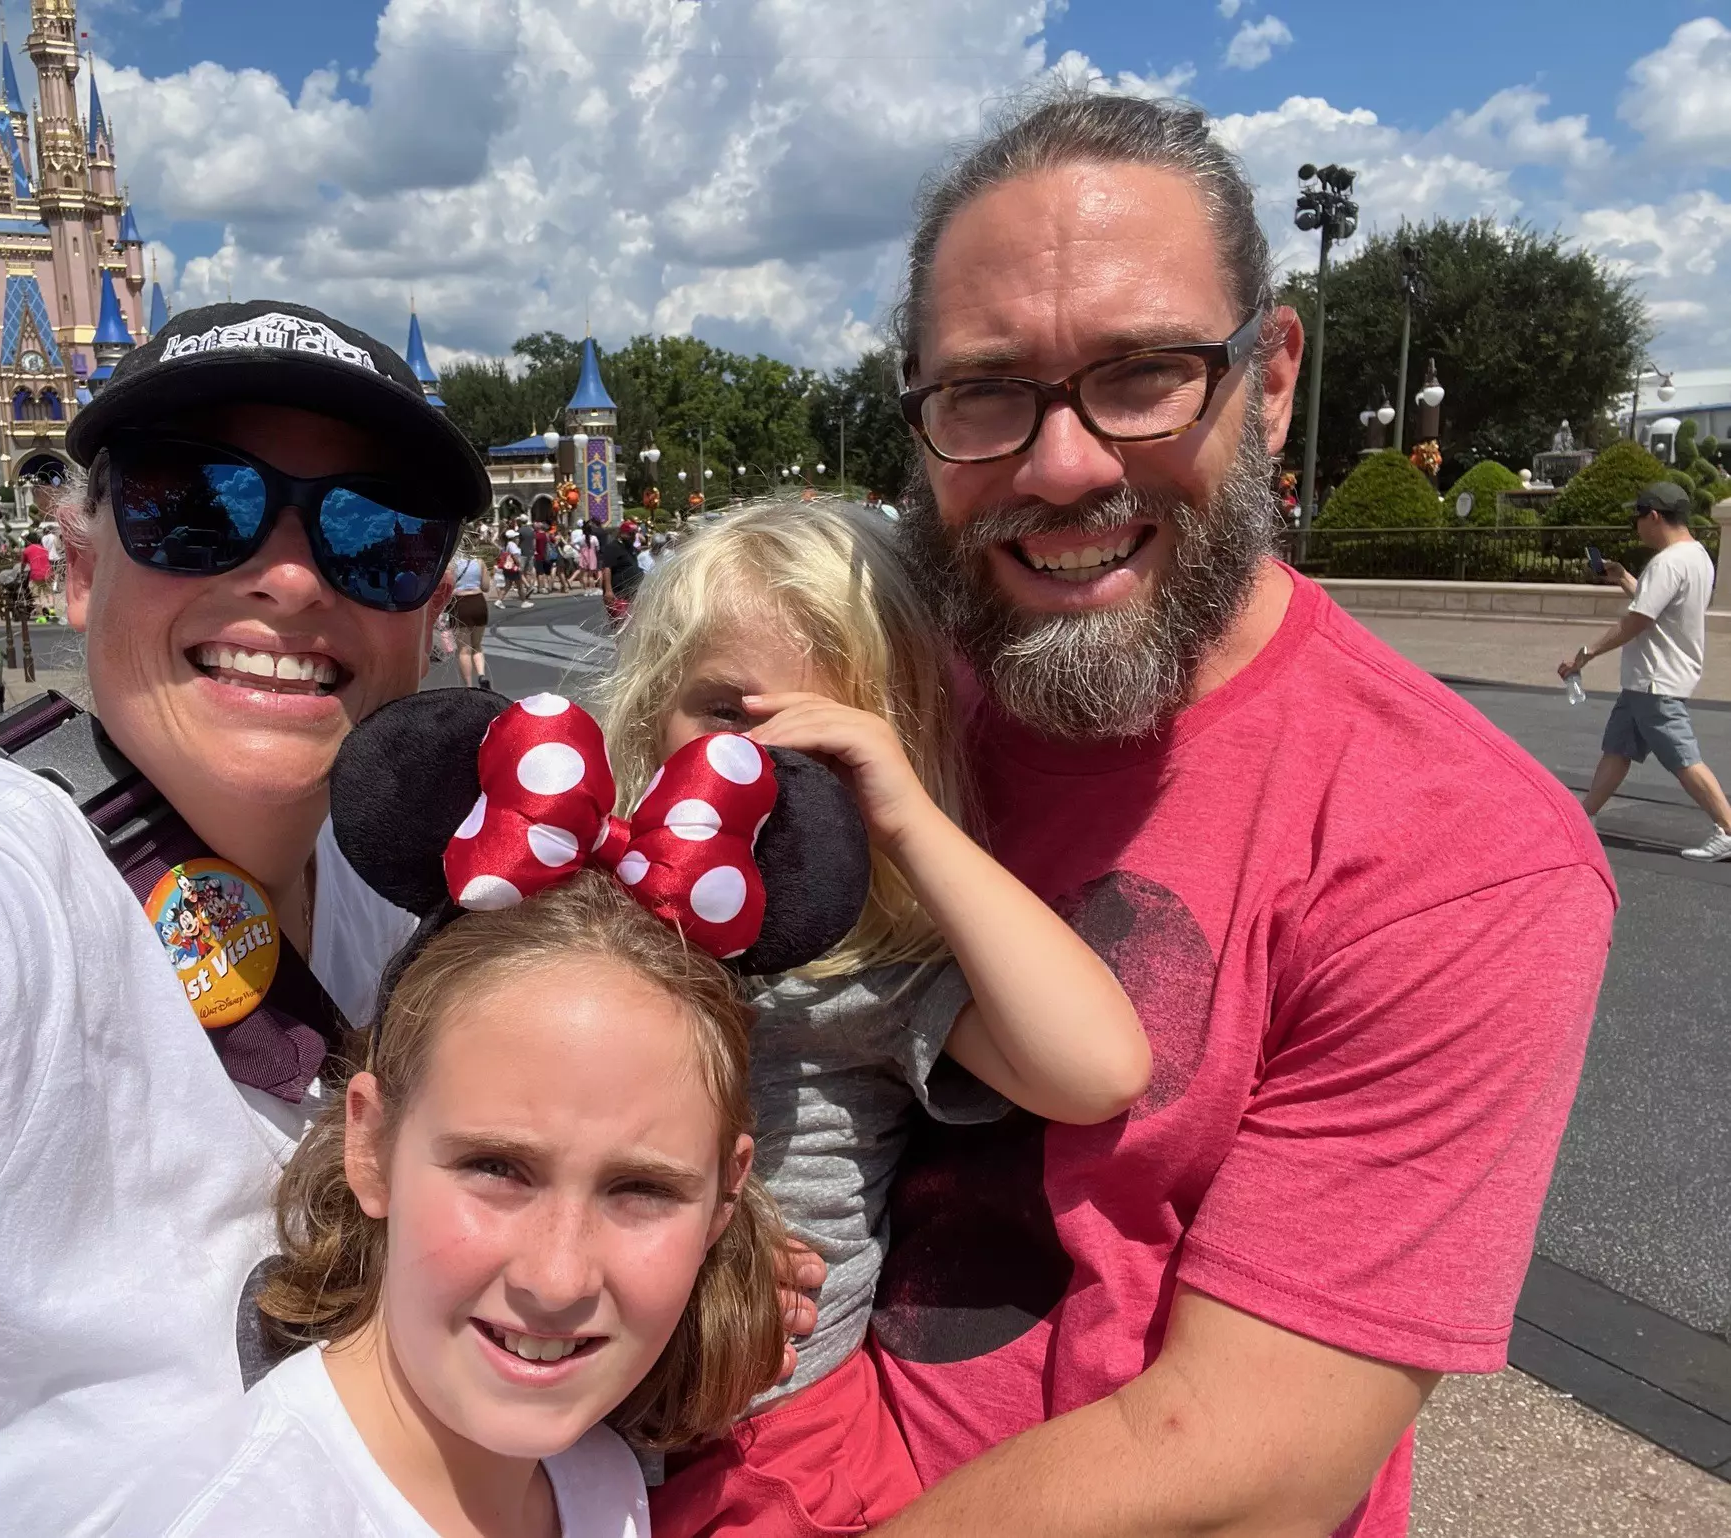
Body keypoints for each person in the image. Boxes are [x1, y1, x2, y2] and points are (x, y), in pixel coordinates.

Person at [864, 91, 1613, 1538]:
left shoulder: (1459, 849)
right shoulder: (864, 696)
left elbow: (1247, 1459)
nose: (1062, 462)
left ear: (1267, 379)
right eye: (985, 391)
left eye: (1141, 374)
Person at [0, 300, 492, 1535]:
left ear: (426, 608)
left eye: (375, 537)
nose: (286, 576)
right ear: (72, 567)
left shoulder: (393, 891)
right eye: (195, 504)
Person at [596, 502, 1147, 1535]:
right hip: (561, 1418)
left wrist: (905, 817)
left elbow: (1098, 1067)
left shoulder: (869, 972)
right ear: (650, 711)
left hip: (771, 1444)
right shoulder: (585, 914)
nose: (760, 764)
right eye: (724, 712)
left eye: (824, 745)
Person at [109, 871, 784, 1538]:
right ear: (372, 1148)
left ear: (724, 1196)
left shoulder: (601, 1481)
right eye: (495, 1168)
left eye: (643, 1189)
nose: (556, 1279)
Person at [1558, 482, 1731, 861]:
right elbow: (1656, 605)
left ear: (1654, 515)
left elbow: (1638, 620)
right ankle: (1586, 816)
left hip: (1656, 680)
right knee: (1618, 749)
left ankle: (1728, 828)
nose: (1635, 525)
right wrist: (1623, 577)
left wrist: (1586, 654)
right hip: (1649, 679)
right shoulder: (1697, 555)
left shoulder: (1666, 563)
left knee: (1683, 759)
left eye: (1637, 517)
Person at [448, 535, 495, 691]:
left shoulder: (452, 566)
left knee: (464, 650)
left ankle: (468, 686)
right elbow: (486, 586)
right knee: (477, 646)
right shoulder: (479, 563)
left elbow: (447, 588)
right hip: (478, 603)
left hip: (460, 605)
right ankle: (481, 675)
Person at [598, 519, 644, 624]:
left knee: (632, 624)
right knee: (621, 624)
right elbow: (607, 568)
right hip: (618, 593)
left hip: (632, 592)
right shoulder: (613, 547)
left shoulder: (630, 548)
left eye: (634, 534)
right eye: (630, 534)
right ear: (621, 533)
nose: (633, 537)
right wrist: (608, 591)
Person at [23, 529, 56, 621]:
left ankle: (41, 616)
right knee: (49, 593)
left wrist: (22, 571)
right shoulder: (44, 549)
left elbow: (24, 564)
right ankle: (52, 610)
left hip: (35, 575)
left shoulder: (27, 550)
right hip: (48, 573)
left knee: (37, 596)